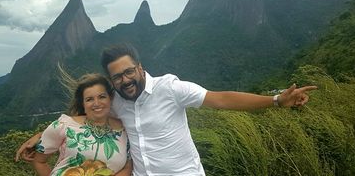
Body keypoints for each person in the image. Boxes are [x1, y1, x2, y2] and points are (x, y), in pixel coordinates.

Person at [17, 43, 316, 176]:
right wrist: (38, 138)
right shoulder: (116, 102)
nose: (125, 80)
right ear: (113, 80)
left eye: (129, 72)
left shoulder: (171, 89)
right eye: (118, 76)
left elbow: (221, 99)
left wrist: (276, 100)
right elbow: (84, 119)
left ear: (140, 67)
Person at [30, 72, 132, 176]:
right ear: (83, 104)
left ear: (110, 99)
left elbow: (128, 165)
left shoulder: (123, 130)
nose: (96, 103)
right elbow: (39, 161)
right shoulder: (64, 125)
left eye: (102, 97)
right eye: (89, 99)